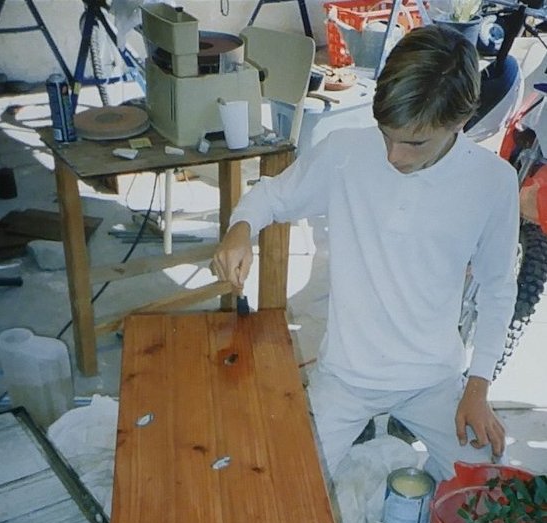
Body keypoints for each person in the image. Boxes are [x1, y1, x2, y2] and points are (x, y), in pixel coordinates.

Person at [211, 24, 519, 482]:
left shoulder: (493, 182)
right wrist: (240, 229)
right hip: (346, 376)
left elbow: (497, 290)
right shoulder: (346, 152)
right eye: (386, 134)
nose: (393, 155)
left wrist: (477, 386)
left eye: (414, 142)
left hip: (435, 380)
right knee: (284, 491)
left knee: (492, 497)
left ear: (461, 120)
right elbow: (272, 197)